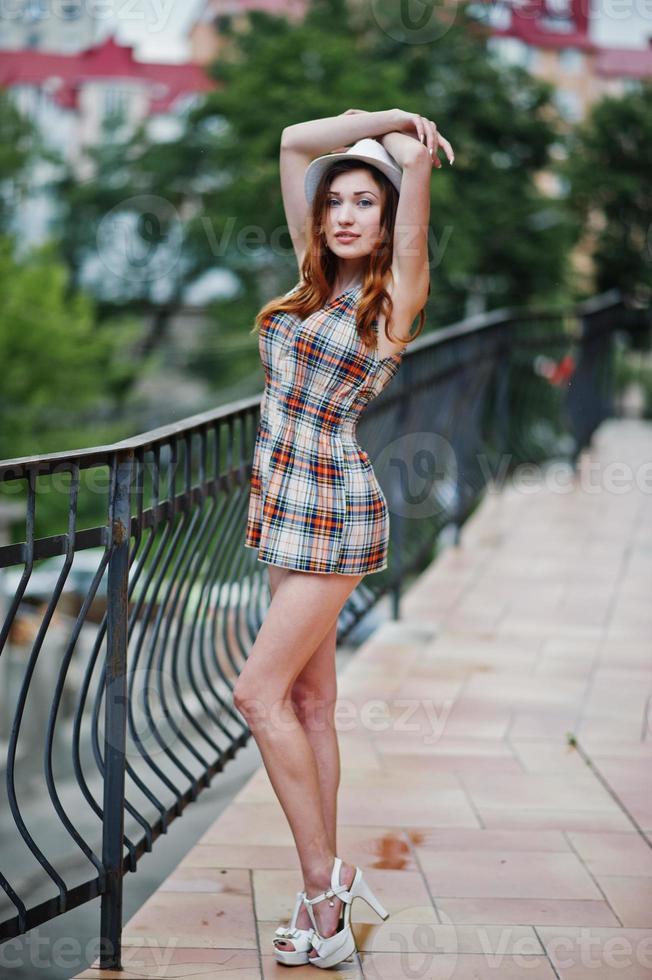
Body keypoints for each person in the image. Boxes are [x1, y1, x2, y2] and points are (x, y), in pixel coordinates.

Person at [234, 108, 454, 969]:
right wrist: (386, 117)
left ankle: (326, 888)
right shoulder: (308, 282)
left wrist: (412, 152)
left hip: (332, 507)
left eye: (369, 202)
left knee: (257, 696)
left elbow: (411, 193)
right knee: (312, 704)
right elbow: (291, 138)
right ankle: (322, 894)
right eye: (339, 203)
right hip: (279, 503)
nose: (350, 215)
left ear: (391, 219)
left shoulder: (394, 296)